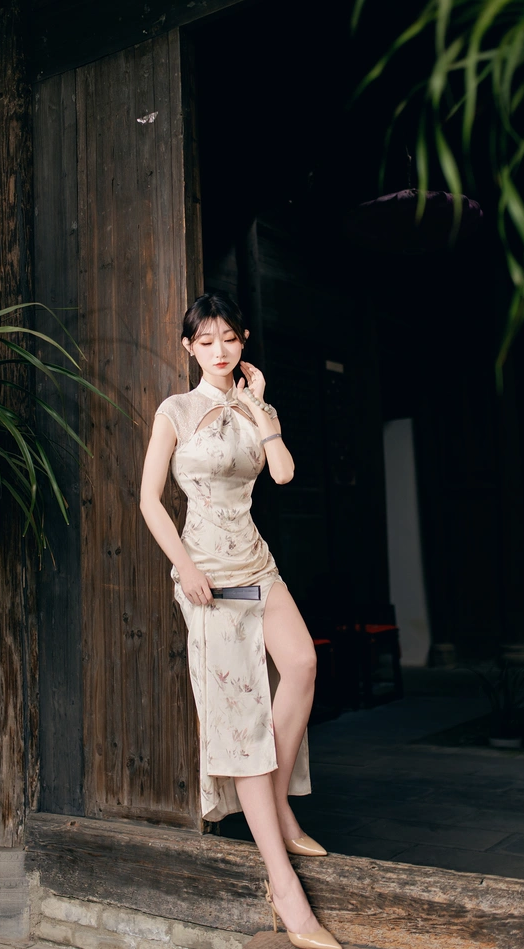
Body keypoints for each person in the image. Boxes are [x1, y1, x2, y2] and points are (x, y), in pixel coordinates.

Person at [140, 292, 341, 949]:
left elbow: (281, 473)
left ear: (243, 340)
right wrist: (185, 568)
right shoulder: (175, 410)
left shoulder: (258, 407)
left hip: (256, 560)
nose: (219, 350)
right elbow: (148, 500)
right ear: (189, 348)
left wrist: (258, 408)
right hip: (205, 573)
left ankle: (277, 804)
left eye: (229, 338)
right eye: (206, 341)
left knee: (303, 664)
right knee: (243, 718)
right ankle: (286, 889)